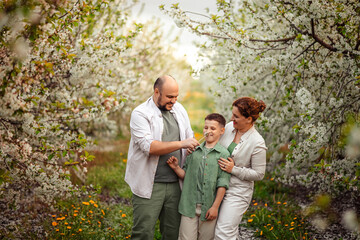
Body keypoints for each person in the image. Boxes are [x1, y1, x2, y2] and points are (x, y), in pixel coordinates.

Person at [125, 75, 200, 240]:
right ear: (156, 91)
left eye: (176, 96)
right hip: (150, 185)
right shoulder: (140, 113)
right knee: (143, 233)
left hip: (175, 184)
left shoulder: (179, 109)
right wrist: (182, 144)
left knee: (173, 233)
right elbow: (150, 147)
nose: (173, 101)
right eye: (169, 97)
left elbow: (189, 137)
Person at [167, 113, 231, 240]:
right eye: (206, 128)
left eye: (213, 128)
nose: (208, 131)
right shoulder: (194, 151)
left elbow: (222, 183)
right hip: (188, 206)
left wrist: (215, 207)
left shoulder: (223, 154)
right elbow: (186, 175)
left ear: (222, 131)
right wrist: (176, 167)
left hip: (208, 207)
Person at [214, 97, 267, 240]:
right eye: (232, 114)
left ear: (249, 119)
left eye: (236, 116)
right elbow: (212, 144)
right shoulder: (230, 127)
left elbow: (259, 174)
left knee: (223, 232)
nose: (231, 118)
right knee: (211, 229)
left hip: (237, 192)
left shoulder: (257, 142)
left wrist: (234, 169)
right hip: (216, 185)